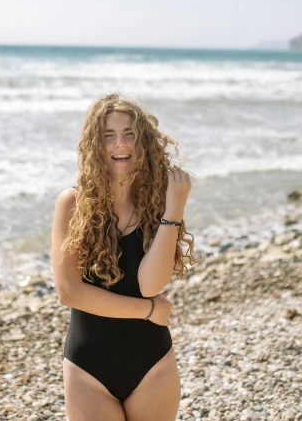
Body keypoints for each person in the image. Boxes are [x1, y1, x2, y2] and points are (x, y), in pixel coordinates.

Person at [50, 93, 195, 420]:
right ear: (94, 145)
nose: (120, 144)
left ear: (143, 141)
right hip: (88, 368)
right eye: (108, 136)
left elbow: (150, 284)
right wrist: (149, 310)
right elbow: (69, 293)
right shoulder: (72, 204)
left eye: (129, 134)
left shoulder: (156, 204)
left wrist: (174, 209)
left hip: (152, 365)